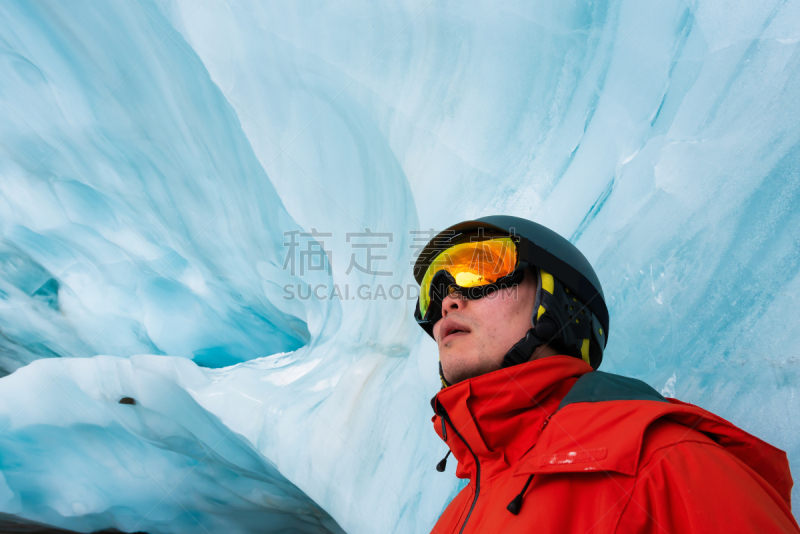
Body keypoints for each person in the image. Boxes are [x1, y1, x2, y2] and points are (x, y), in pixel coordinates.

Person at [413, 215, 799, 533]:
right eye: (434, 290)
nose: (447, 300)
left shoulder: (661, 461)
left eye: (480, 269)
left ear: (558, 301)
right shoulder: (451, 520)